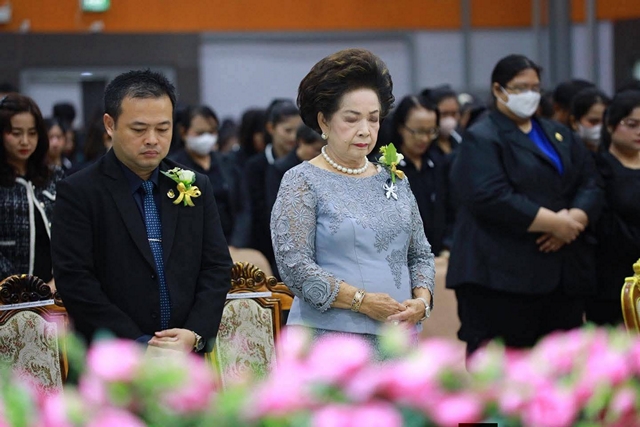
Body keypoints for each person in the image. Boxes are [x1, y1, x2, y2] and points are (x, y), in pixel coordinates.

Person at [51, 70, 232, 354]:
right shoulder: (80, 192)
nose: (152, 140)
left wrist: (195, 333)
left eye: (163, 129)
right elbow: (75, 281)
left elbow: (216, 267)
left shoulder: (194, 185)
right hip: (113, 357)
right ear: (110, 125)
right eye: (139, 129)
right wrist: (137, 344)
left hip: (183, 355)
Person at [271, 48, 435, 347]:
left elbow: (420, 254)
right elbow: (295, 267)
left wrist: (422, 302)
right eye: (352, 119)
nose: (365, 131)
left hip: (399, 337)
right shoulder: (302, 180)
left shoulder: (394, 178)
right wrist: (362, 301)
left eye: (373, 119)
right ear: (324, 122)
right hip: (331, 339)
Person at [447, 54, 603, 355]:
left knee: (562, 363)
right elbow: (490, 195)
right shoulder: (482, 136)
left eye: (535, 88)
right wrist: (555, 223)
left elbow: (590, 181)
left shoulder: (557, 133)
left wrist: (574, 220)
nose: (530, 95)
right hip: (500, 277)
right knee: (504, 365)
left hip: (560, 274)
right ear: (498, 90)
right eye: (520, 88)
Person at [0, 93, 63, 287]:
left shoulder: (54, 176)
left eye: (32, 133)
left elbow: (72, 234)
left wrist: (59, 280)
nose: (25, 141)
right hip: (8, 293)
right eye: (16, 133)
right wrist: (18, 289)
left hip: (54, 290)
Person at [589, 90, 640, 325]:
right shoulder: (597, 167)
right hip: (613, 274)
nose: (639, 131)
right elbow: (604, 222)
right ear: (610, 125)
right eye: (632, 124)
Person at [170, 105, 251, 248]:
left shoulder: (228, 164)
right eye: (200, 133)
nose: (206, 138)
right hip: (192, 246)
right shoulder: (173, 168)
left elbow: (243, 209)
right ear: (183, 132)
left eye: (212, 132)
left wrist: (236, 244)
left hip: (230, 244)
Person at [388, 95, 451, 256]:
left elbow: (453, 210)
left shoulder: (439, 163)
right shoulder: (385, 167)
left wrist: (447, 248)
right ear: (401, 127)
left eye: (431, 131)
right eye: (417, 132)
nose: (424, 139)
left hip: (440, 256)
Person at [245, 100, 301, 275]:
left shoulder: (304, 163)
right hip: (263, 244)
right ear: (271, 128)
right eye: (287, 130)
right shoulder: (255, 165)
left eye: (298, 131)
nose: (293, 137)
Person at [264, 123, 325, 214]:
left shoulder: (324, 167)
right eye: (317, 150)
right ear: (301, 142)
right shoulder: (280, 168)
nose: (320, 154)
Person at [569, 87, 610, 152]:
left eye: (604, 122)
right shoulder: (565, 153)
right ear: (574, 122)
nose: (600, 127)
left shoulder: (612, 153)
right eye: (593, 122)